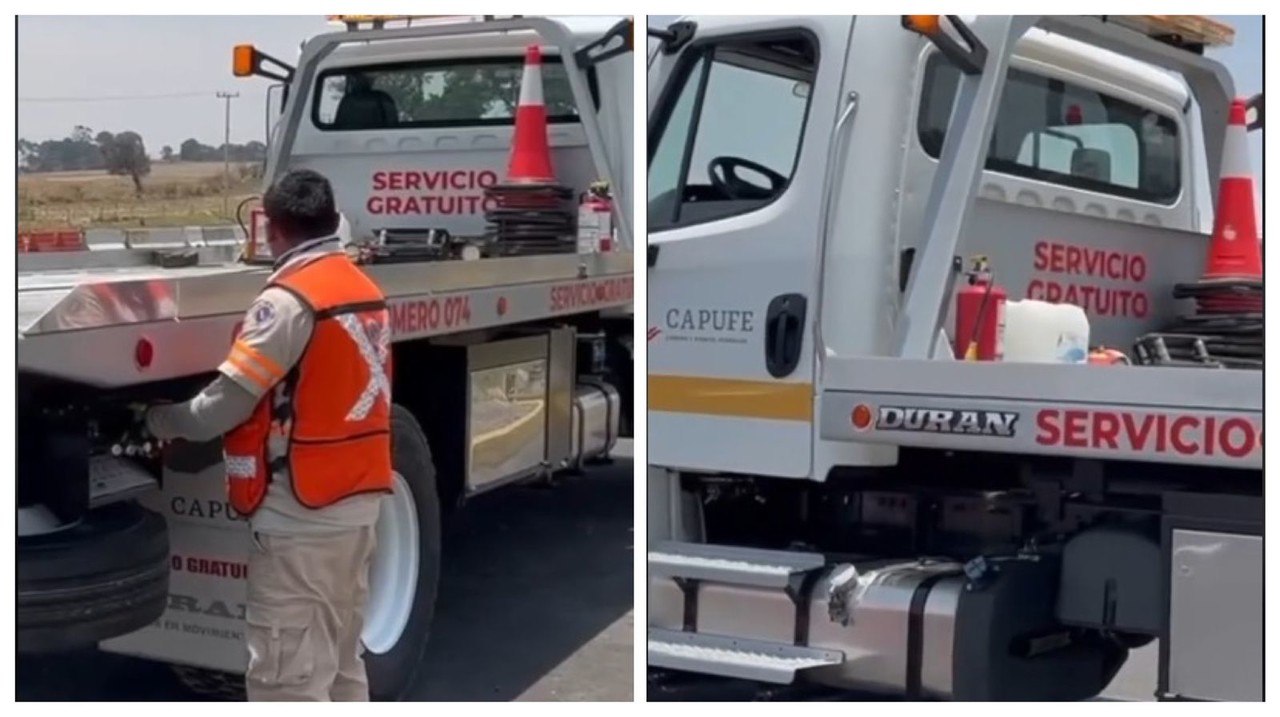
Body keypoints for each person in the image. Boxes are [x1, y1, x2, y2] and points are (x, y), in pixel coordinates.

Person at [145, 169, 392, 701]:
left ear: (272, 230)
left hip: (301, 517)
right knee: (342, 664)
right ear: (331, 220)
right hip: (356, 504)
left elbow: (222, 408)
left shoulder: (286, 303)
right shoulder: (361, 287)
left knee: (288, 681)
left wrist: (158, 420)